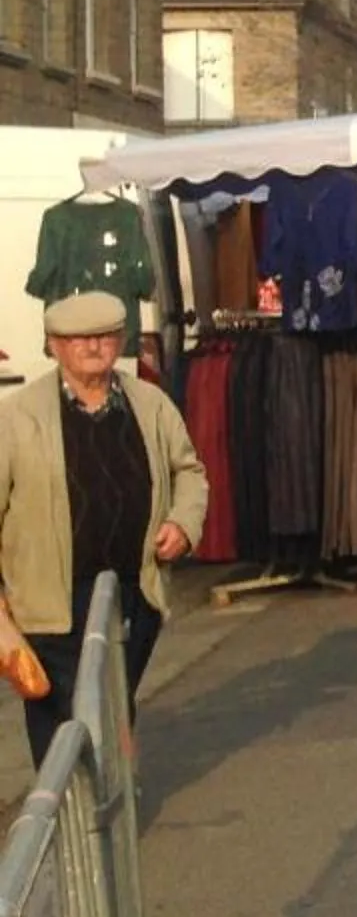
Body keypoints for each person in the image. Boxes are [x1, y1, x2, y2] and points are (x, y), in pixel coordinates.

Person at [0, 293, 211, 768]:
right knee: (66, 709)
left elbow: (189, 471)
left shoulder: (150, 403)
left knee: (113, 700)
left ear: (120, 340)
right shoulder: (16, 418)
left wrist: (182, 522)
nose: (94, 347)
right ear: (54, 345)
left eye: (104, 336)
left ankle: (106, 808)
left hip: (134, 587)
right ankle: (76, 818)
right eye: (79, 339)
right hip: (52, 599)